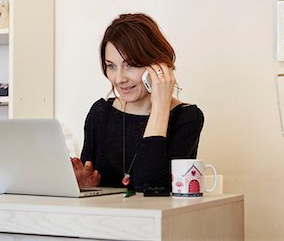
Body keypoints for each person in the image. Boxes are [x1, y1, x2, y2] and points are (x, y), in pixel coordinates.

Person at [71, 13, 204, 192]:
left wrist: (160, 106)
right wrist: (84, 186)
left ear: (158, 65)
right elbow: (90, 182)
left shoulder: (186, 117)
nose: (119, 78)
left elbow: (151, 186)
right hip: (103, 219)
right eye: (111, 66)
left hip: (156, 219)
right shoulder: (101, 113)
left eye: (130, 65)